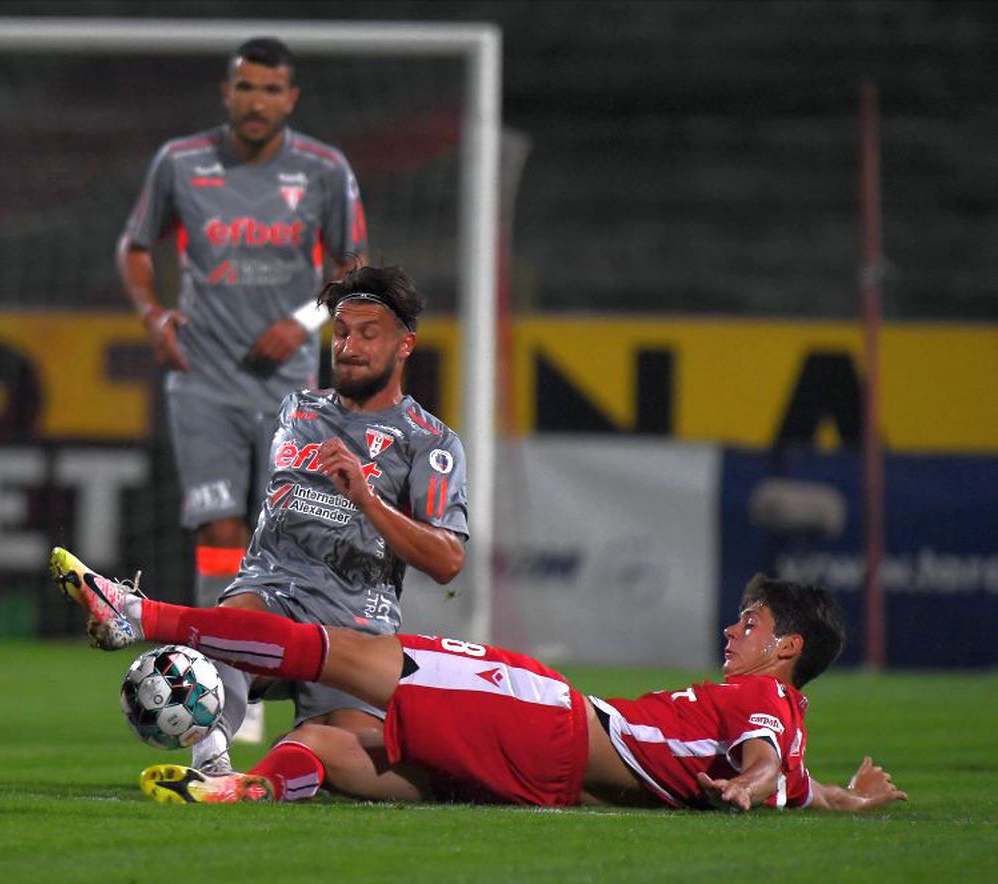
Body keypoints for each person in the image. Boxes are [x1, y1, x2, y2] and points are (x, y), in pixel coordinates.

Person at [53, 563, 906, 813]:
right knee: (334, 737)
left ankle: (141, 615)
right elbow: (797, 785)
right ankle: (240, 787)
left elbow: (761, 765)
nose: (733, 631)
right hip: (549, 785)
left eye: (752, 625)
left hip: (548, 718)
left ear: (787, 647)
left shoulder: (765, 709)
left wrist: (752, 783)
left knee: (336, 651)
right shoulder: (789, 730)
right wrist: (853, 801)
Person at [78, 260, 469, 774]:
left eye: (368, 335)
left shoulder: (431, 442)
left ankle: (293, 749)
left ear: (405, 345)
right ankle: (210, 753)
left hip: (357, 624)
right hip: (273, 593)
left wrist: (369, 501)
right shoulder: (297, 412)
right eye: (342, 332)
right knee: (238, 622)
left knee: (356, 761)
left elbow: (447, 561)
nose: (348, 348)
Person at [117, 36, 367, 610]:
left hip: (291, 383)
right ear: (226, 93)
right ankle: (226, 675)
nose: (257, 101)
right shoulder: (180, 163)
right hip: (202, 374)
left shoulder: (324, 169)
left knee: (283, 524)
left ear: (291, 98)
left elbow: (353, 266)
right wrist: (154, 317)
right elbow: (134, 247)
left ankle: (277, 654)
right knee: (218, 532)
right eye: (247, 87)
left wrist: (304, 322)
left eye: (271, 90)